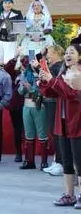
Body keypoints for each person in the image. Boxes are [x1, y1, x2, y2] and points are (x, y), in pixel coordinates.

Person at [39, 44, 81, 207]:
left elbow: (72, 94)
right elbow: (51, 93)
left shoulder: (78, 74)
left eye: (72, 52)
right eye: (67, 53)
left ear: (79, 56)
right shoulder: (64, 72)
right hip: (62, 123)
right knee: (67, 161)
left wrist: (52, 80)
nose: (68, 55)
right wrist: (44, 81)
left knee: (79, 161)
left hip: (77, 122)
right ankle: (69, 194)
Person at [17, 56, 47, 170]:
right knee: (28, 134)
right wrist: (23, 86)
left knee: (42, 134)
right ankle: (29, 161)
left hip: (39, 106)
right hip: (27, 106)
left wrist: (31, 88)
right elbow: (20, 92)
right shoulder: (25, 74)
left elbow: (43, 92)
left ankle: (44, 162)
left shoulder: (43, 74)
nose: (29, 64)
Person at [43, 45, 65, 176]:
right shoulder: (55, 67)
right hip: (49, 102)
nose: (47, 56)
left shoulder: (59, 67)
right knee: (54, 133)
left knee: (57, 133)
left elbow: (55, 86)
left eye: (49, 53)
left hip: (55, 103)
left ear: (57, 53)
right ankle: (57, 161)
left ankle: (61, 163)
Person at [0, 0, 23, 64]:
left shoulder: (17, 13)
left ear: (12, 4)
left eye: (9, 3)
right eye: (5, 3)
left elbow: (21, 30)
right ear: (2, 4)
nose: (7, 5)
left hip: (11, 42)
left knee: (9, 62)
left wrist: (20, 43)